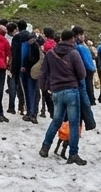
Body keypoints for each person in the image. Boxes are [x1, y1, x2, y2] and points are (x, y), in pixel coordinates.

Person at [36, 29, 87, 165]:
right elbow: (82, 73)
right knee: (74, 124)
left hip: (56, 91)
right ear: (71, 39)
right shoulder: (74, 53)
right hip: (71, 91)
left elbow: (43, 72)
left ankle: (45, 147)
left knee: (56, 121)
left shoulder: (50, 53)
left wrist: (45, 88)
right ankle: (73, 154)